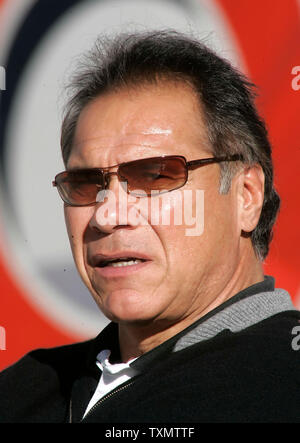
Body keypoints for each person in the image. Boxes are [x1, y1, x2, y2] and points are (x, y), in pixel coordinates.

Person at [0, 30, 299, 424]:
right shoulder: (26, 387)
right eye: (87, 183)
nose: (108, 215)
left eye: (155, 175)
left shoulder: (283, 386)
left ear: (246, 196)